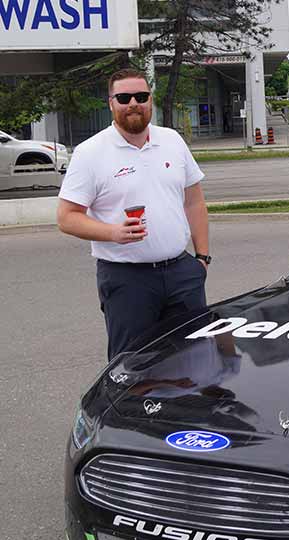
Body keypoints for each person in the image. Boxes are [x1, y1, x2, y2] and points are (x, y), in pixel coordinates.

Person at [57, 68, 211, 361]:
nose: (133, 103)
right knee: (133, 367)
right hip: (127, 279)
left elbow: (194, 201)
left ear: (150, 99)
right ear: (111, 102)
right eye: (124, 97)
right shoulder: (90, 153)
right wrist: (112, 232)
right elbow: (66, 217)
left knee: (195, 359)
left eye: (141, 96)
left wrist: (201, 258)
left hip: (182, 273)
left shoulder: (172, 141)